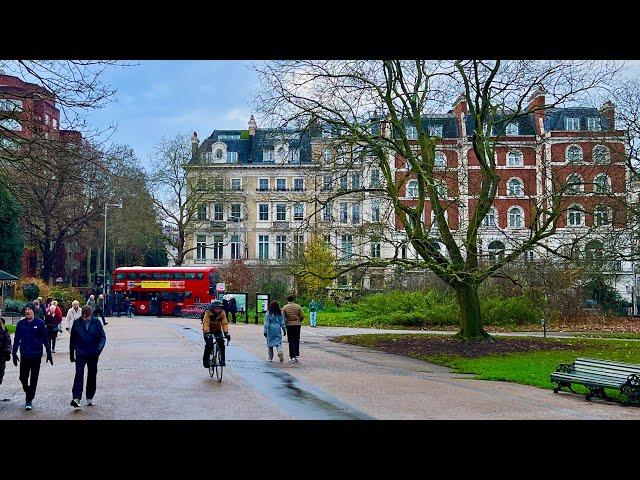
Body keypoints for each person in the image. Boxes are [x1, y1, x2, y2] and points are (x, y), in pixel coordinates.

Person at [12, 302, 53, 411]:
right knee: (22, 377)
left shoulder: (40, 323)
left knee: (34, 379)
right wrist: (14, 352)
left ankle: (28, 400)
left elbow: (45, 339)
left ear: (33, 311)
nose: (27, 311)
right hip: (24, 355)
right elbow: (16, 339)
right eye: (25, 309)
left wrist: (49, 353)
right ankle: (28, 390)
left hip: (36, 355)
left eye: (29, 309)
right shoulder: (21, 324)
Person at [69, 305, 106, 408]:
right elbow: (72, 340)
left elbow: (102, 337)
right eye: (84, 317)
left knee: (92, 375)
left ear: (90, 315)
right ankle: (76, 398)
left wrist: (98, 349)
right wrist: (72, 354)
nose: (85, 319)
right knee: (79, 374)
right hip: (80, 353)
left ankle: (90, 396)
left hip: (93, 353)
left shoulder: (96, 322)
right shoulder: (77, 322)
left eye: (87, 317)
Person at [201, 300, 230, 368]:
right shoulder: (208, 312)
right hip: (208, 330)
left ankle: (222, 360)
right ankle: (205, 361)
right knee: (209, 344)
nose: (217, 310)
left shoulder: (222, 313)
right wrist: (207, 333)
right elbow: (206, 323)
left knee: (221, 343)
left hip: (217, 330)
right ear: (213, 308)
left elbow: (224, 323)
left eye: (219, 308)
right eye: (216, 308)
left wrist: (226, 333)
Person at [282, 295, 304, 363]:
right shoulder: (298, 306)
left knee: (291, 340)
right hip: (297, 325)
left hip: (289, 325)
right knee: (296, 339)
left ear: (287, 300)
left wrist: (285, 323)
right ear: (293, 300)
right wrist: (299, 320)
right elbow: (302, 316)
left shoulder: (285, 307)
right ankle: (296, 355)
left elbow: (283, 317)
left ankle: (292, 356)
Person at [0, 317, 12, 388]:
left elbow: (8, 343)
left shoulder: (5, 332)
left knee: (1, 373)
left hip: (1, 356)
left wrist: (8, 353)